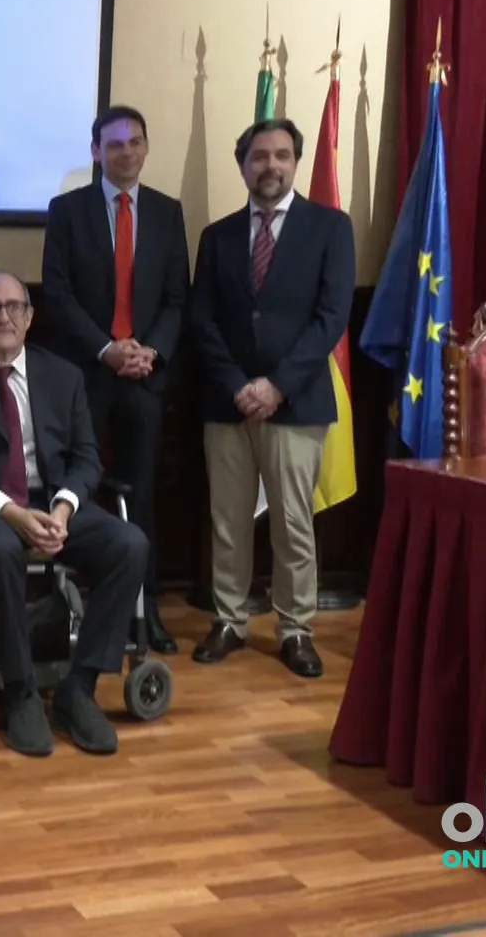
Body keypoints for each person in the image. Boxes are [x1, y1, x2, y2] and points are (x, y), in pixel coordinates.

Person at [0, 272, 150, 756]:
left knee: (129, 545)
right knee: (0, 549)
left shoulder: (63, 375)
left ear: (29, 317)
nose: (3, 316)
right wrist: (11, 512)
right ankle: (21, 691)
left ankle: (78, 689)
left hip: (53, 500)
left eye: (13, 307)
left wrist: (62, 511)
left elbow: (87, 457)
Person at [186, 118, 354, 679]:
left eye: (282, 156)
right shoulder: (218, 236)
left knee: (292, 522)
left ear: (297, 163)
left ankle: (295, 629)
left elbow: (332, 317)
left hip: (297, 401)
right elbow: (202, 320)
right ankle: (230, 620)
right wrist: (239, 385)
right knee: (228, 520)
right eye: (259, 157)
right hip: (226, 402)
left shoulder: (330, 228)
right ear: (243, 166)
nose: (271, 166)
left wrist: (277, 384)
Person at [40, 105, 188, 653]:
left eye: (135, 142)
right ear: (96, 151)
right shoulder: (67, 210)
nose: (126, 152)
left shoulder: (169, 214)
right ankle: (65, 609)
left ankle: (142, 615)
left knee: (142, 498)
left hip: (144, 379)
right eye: (114, 143)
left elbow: (177, 299)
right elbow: (55, 295)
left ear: (146, 148)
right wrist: (106, 350)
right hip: (83, 379)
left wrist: (149, 352)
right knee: (72, 493)